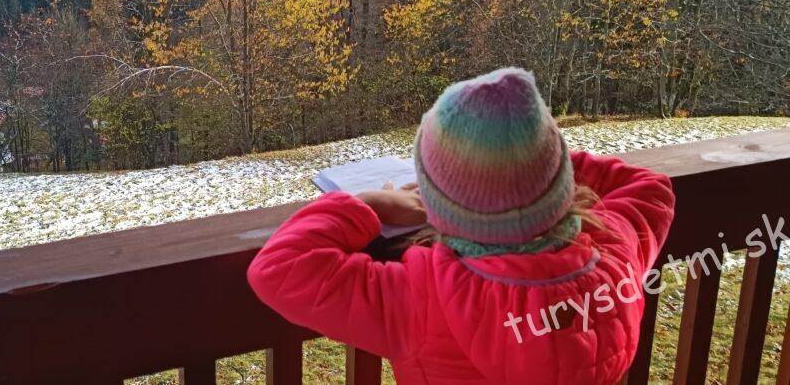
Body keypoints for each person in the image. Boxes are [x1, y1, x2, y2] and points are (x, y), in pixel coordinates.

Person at [247, 67, 675, 384]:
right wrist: (528, 162)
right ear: (559, 180)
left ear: (434, 206)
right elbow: (651, 188)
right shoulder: (615, 252)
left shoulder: (423, 300)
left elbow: (279, 268)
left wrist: (368, 204)